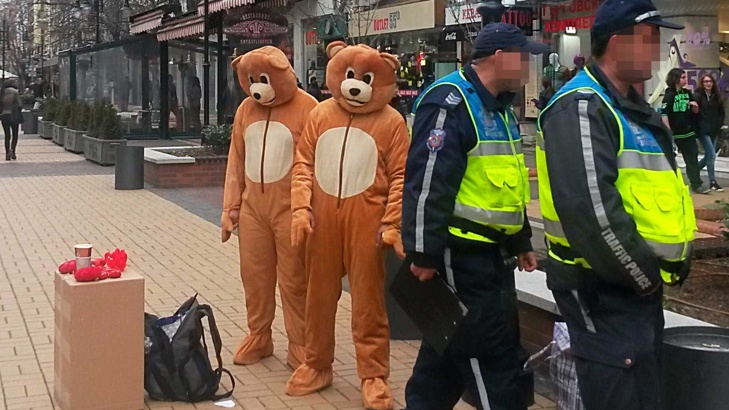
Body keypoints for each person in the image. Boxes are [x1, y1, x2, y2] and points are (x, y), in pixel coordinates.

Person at [536, 1, 694, 409]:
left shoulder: (634, 111)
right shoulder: (583, 106)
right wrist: (645, 277)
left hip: (633, 293)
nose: (657, 52)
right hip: (604, 292)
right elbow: (592, 213)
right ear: (618, 43)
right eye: (649, 41)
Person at [402, 22, 543, 410]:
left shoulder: (501, 108)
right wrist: (424, 253)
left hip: (492, 257)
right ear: (499, 58)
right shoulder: (450, 102)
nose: (530, 66)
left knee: (443, 357)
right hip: (459, 259)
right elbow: (428, 182)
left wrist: (520, 240)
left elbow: (508, 183)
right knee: (492, 361)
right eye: (525, 57)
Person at [662, 68, 708, 194]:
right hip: (675, 133)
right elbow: (664, 114)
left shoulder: (688, 93)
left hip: (688, 131)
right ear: (675, 79)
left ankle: (696, 184)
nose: (685, 80)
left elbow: (695, 112)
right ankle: (673, 184)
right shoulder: (669, 95)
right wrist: (668, 131)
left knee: (692, 158)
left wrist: (695, 107)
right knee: (670, 159)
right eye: (682, 77)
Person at [694, 74, 725, 192]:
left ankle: (693, 171)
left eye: (710, 81)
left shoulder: (716, 97)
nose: (708, 84)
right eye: (706, 81)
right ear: (702, 83)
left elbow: (721, 112)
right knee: (711, 154)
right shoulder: (697, 96)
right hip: (702, 130)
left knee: (708, 155)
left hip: (714, 129)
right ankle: (712, 181)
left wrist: (718, 124)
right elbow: (694, 113)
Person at [1, 80, 22, 161]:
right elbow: (20, 104)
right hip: (13, 115)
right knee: (15, 134)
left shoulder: (1, 92)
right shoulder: (15, 92)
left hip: (4, 115)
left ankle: (7, 153)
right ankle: (13, 151)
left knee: (7, 135)